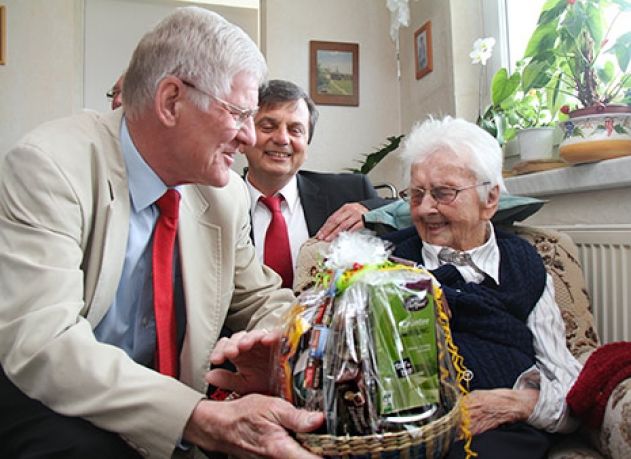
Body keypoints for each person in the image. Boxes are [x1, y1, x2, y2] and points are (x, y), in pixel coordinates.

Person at [0, 7, 323, 459]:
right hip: (52, 403)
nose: (250, 138)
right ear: (172, 100)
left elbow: (262, 299)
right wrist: (197, 418)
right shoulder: (51, 166)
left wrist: (272, 345)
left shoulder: (224, 194)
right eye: (240, 114)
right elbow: (45, 344)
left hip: (170, 414)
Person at [382, 116, 582, 458]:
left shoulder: (524, 265)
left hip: (505, 432)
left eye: (443, 193)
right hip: (413, 432)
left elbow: (567, 384)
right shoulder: (387, 263)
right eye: (416, 194)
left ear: (489, 199)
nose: (426, 207)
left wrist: (513, 404)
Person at [241, 79, 388, 286]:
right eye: (268, 126)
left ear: (307, 146)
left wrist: (371, 210)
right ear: (244, 135)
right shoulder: (218, 202)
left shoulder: (350, 192)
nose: (282, 139)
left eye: (295, 130)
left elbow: (410, 216)